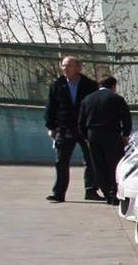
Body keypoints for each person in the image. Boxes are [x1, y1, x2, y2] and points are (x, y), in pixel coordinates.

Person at [44, 56, 97, 202]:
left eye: (69, 66)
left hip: (85, 127)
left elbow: (94, 107)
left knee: (91, 159)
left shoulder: (90, 85)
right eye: (63, 66)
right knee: (61, 161)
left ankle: (91, 190)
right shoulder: (57, 85)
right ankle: (58, 193)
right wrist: (51, 126)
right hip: (64, 127)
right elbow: (51, 107)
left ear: (78, 68)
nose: (65, 69)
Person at [78, 75, 132, 205]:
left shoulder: (87, 99)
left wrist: (86, 137)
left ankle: (107, 194)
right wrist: (125, 134)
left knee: (99, 165)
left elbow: (81, 122)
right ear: (113, 86)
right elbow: (126, 118)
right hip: (111, 134)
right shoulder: (116, 99)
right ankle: (115, 193)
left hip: (93, 135)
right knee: (114, 164)